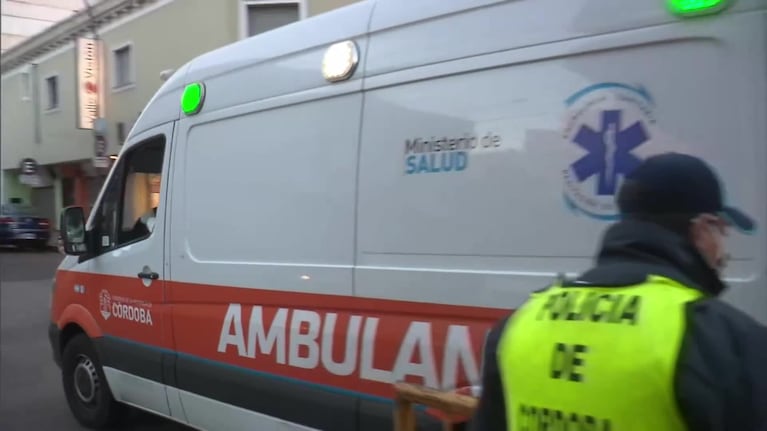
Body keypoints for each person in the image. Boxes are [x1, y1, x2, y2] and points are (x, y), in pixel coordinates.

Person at [471, 153, 767, 431]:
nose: (723, 253)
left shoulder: (521, 323)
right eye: (722, 232)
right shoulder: (722, 339)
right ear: (701, 229)